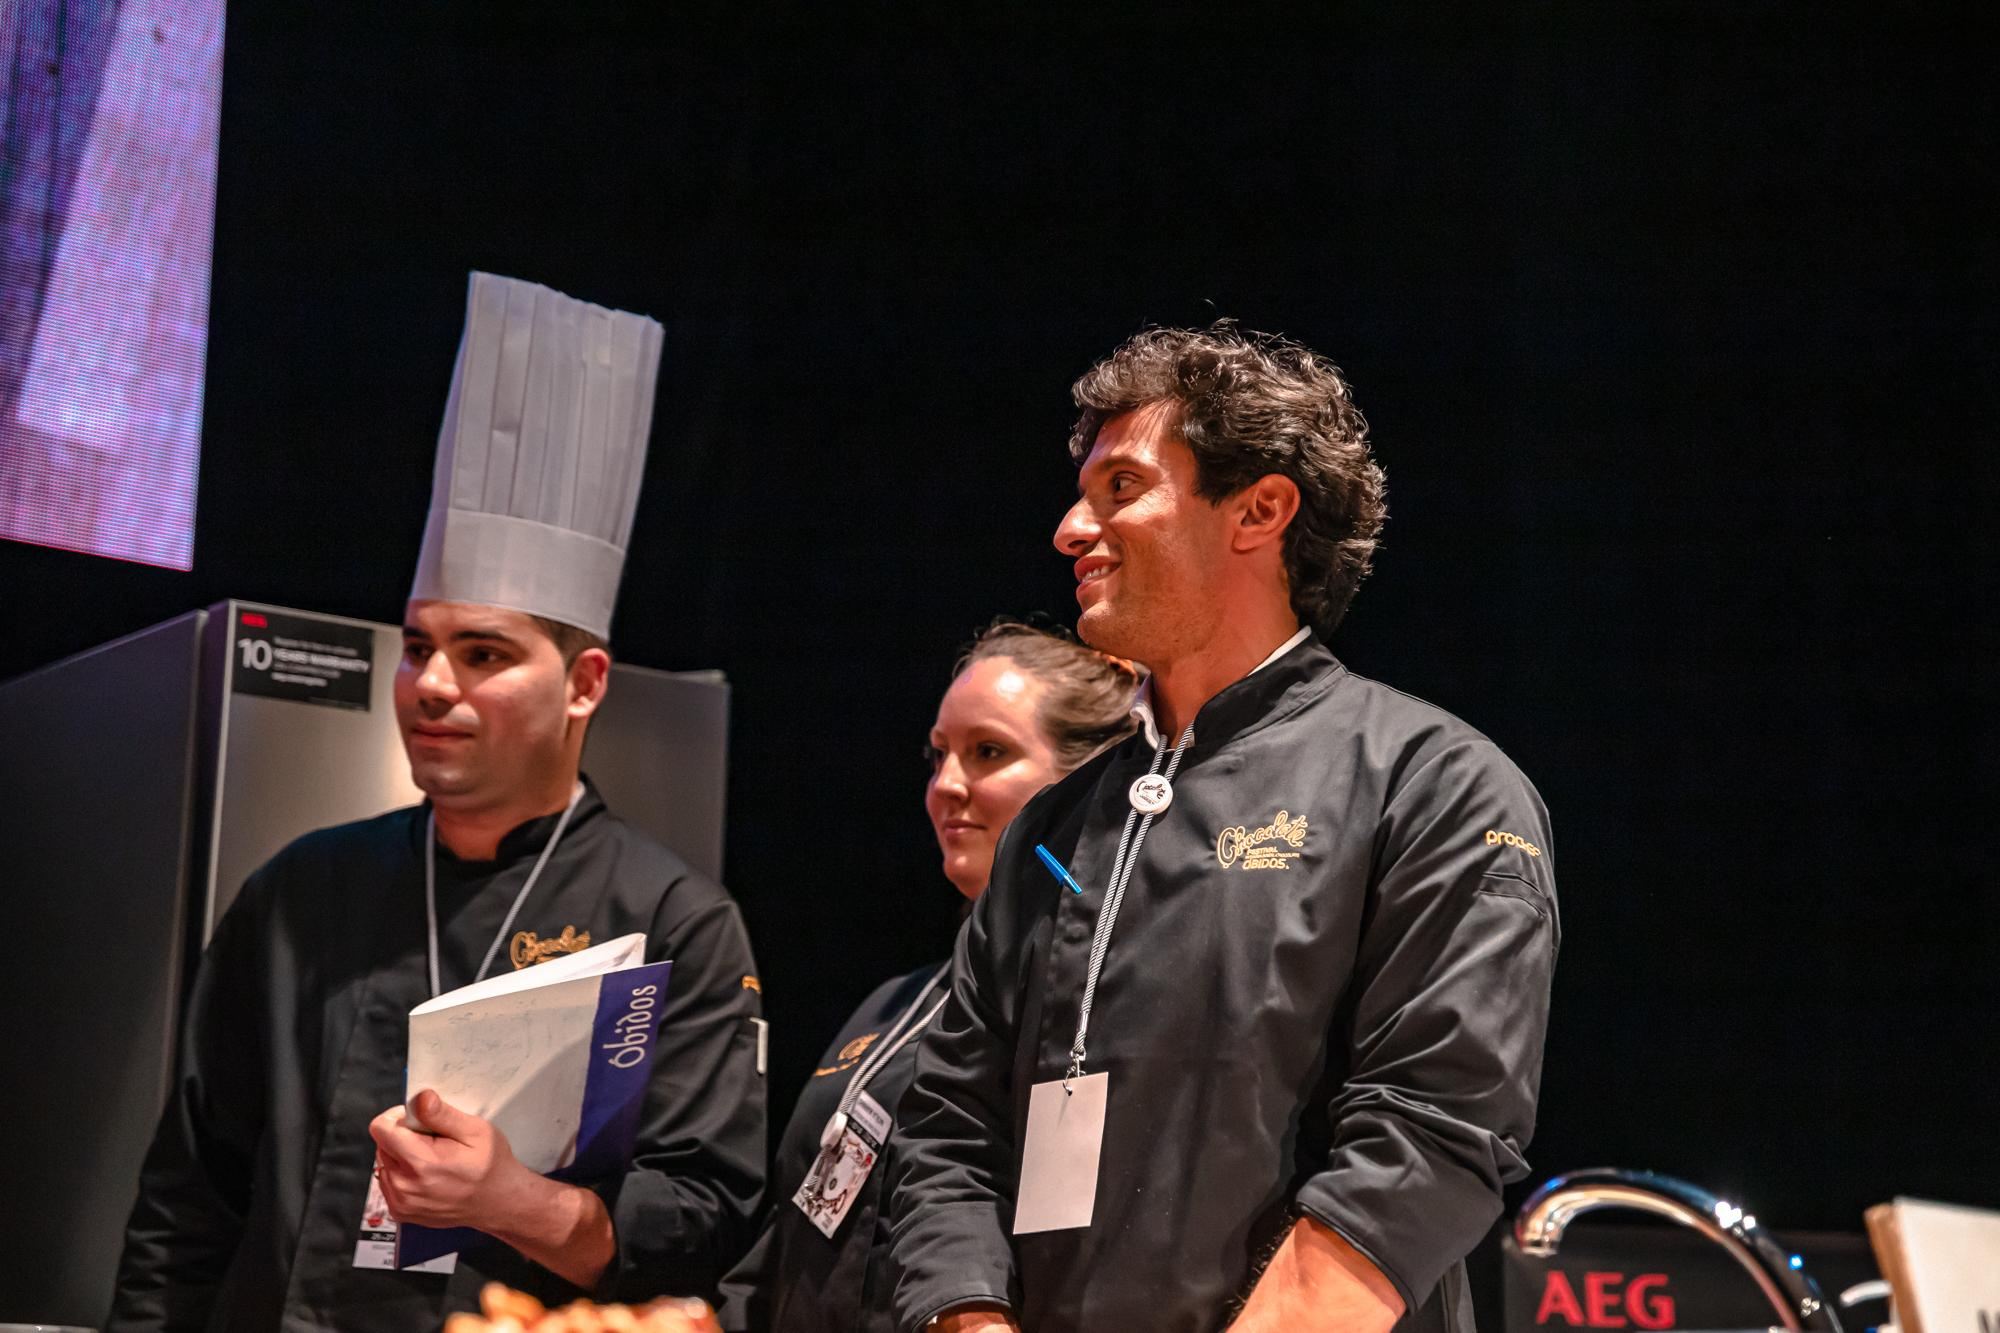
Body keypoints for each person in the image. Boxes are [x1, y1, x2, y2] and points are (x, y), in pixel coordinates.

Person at [108, 274, 765, 1331]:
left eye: (484, 653)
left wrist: (519, 1204)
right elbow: (188, 1202)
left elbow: (705, 1213)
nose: (434, 685)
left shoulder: (672, 920)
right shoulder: (298, 893)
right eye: (419, 647)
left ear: (585, 684)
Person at [890, 325, 1560, 1333]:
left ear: (1258, 510)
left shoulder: (1433, 784)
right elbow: (947, 1130)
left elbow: (1427, 1135)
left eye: (1120, 487)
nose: (1072, 527)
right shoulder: (1050, 828)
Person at [717, 623, 1137, 1333]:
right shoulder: (897, 1002)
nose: (945, 785)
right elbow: (788, 1239)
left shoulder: (1122, 1006)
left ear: (1088, 777)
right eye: (937, 754)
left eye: (988, 752)